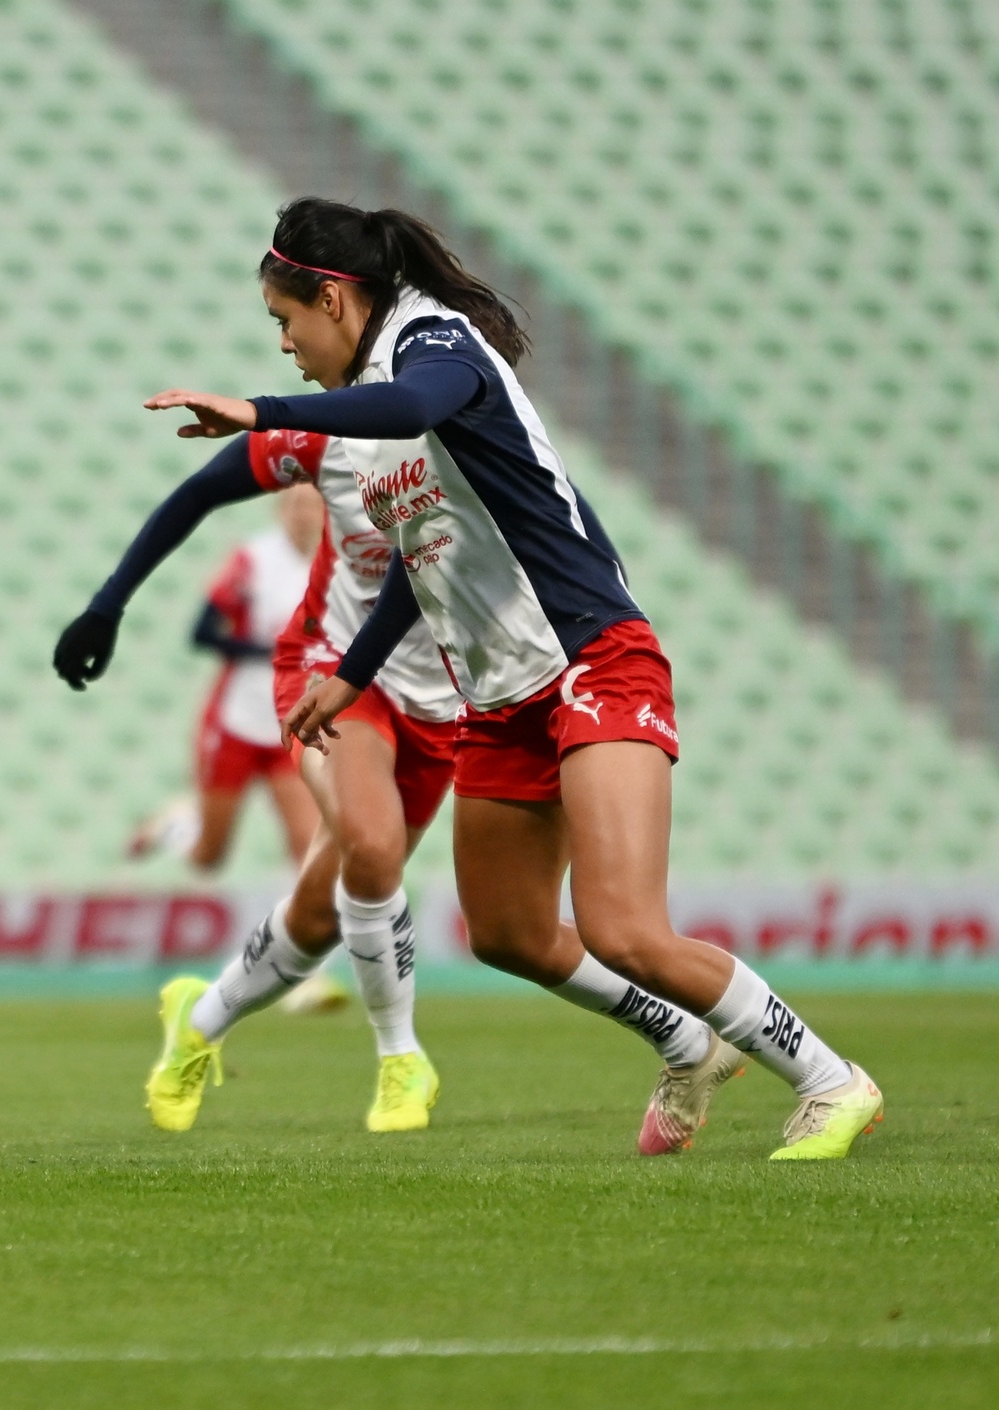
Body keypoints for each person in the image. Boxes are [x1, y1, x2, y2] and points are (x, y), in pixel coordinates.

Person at [137, 199, 880, 1161]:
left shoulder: (432, 342)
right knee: (507, 931)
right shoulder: (377, 409)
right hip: (498, 697)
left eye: (285, 320)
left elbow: (417, 405)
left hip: (589, 657)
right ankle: (690, 1047)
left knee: (624, 931)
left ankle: (831, 1080)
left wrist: (261, 409)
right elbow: (425, 555)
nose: (283, 345)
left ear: (333, 298)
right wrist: (354, 673)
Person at [56, 376, 464, 1140]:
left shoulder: (485, 448)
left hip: (438, 700)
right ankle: (401, 1056)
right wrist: (109, 601)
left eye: (288, 323)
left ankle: (198, 1021)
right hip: (326, 672)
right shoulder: (323, 440)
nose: (286, 346)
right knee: (370, 845)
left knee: (322, 906)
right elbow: (198, 492)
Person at [129, 483, 319, 871]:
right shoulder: (254, 560)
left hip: (286, 727)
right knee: (208, 857)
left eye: (313, 506)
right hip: (237, 722)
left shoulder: (330, 569)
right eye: (296, 505)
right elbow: (202, 632)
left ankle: (300, 912)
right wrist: (269, 652)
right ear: (281, 509)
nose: (304, 515)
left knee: (307, 848)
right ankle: (176, 825)